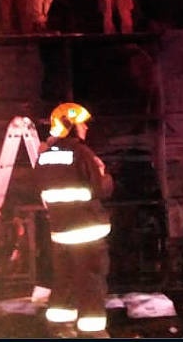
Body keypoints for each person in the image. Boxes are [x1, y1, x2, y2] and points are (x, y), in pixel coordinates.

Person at [34, 102, 114, 338]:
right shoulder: (82, 153)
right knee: (91, 282)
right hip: (87, 230)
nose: (86, 129)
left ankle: (60, 327)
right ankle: (93, 331)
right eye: (82, 124)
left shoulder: (45, 156)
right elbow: (100, 189)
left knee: (64, 279)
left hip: (60, 231)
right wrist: (104, 174)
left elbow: (39, 188)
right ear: (71, 125)